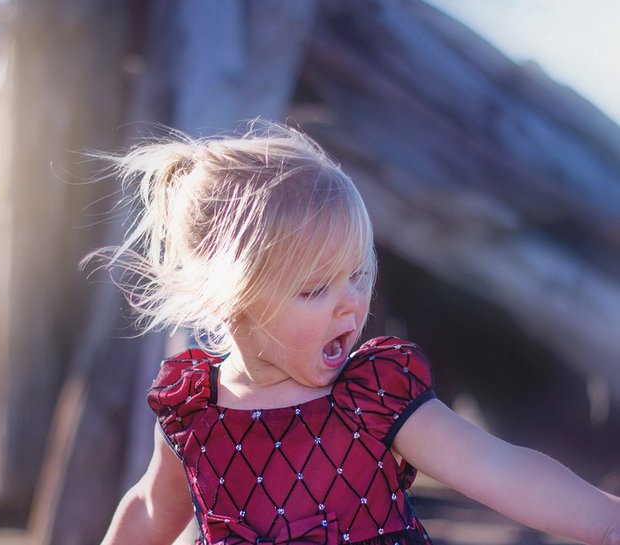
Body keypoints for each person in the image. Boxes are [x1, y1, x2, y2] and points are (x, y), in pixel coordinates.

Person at [90, 121, 620, 545]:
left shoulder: (370, 397)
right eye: (316, 287)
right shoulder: (195, 411)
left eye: (358, 275)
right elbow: (150, 509)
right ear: (227, 297)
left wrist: (606, 523)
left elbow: (499, 468)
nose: (351, 303)